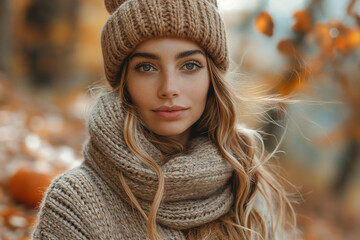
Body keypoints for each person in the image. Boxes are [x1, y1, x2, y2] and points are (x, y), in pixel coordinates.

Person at [32, 0, 297, 239]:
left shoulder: (247, 189)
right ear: (125, 82)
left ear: (211, 78)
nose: (169, 88)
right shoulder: (75, 202)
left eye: (190, 65)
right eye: (146, 67)